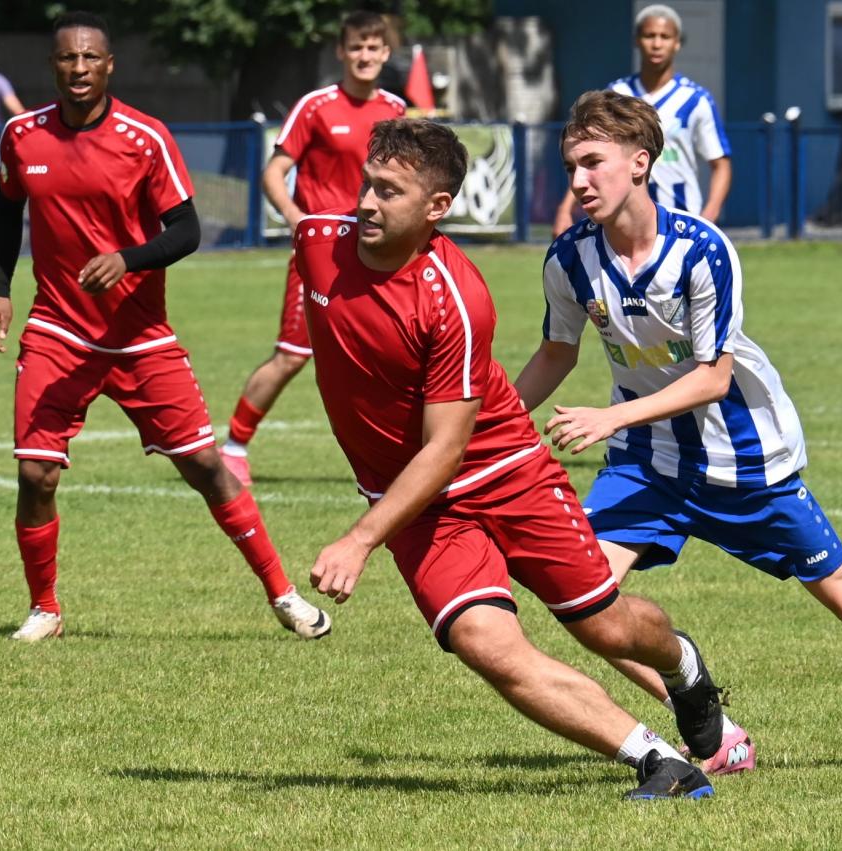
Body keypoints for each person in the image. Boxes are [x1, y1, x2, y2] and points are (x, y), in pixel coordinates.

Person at [515, 90, 842, 774]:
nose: (579, 180)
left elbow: (713, 379)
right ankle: (713, 726)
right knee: (586, 602)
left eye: (593, 162)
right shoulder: (568, 259)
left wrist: (610, 415)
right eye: (571, 166)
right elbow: (556, 353)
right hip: (647, 461)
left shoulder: (701, 250)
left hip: (742, 460)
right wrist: (489, 419)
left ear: (640, 163)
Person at [296, 117, 729, 799]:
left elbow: (446, 446)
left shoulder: (455, 299)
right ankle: (657, 761)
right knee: (483, 641)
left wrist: (359, 539)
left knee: (604, 625)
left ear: (437, 207)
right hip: (418, 503)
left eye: (390, 192)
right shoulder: (315, 242)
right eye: (368, 185)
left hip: (505, 474)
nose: (368, 204)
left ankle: (682, 665)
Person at [0, 11, 330, 642]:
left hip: (141, 339)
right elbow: (5, 213)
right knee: (35, 474)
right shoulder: (22, 135)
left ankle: (283, 594)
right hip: (58, 332)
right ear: (53, 65)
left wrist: (127, 259)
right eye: (68, 58)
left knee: (205, 467)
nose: (79, 68)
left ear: (109, 65)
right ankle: (45, 609)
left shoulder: (145, 137)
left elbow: (187, 230)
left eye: (91, 57)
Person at [217, 10, 407, 486]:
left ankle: (401, 454)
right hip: (323, 254)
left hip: (378, 251)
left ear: (386, 53)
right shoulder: (316, 106)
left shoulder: (396, 109)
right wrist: (298, 220)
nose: (365, 55)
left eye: (374, 47)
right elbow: (273, 173)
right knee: (292, 354)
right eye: (356, 47)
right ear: (341, 52)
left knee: (390, 352)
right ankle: (234, 447)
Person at [551, 4, 731, 236]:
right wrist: (565, 209)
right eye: (649, 35)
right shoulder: (617, 94)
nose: (656, 44)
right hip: (624, 223)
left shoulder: (696, 100)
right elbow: (588, 156)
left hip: (680, 222)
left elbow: (721, 164)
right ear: (637, 41)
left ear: (677, 43)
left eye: (665, 37)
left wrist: (709, 216)